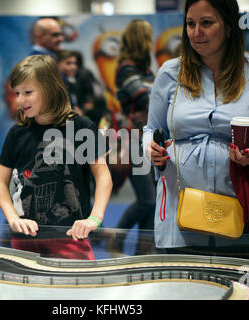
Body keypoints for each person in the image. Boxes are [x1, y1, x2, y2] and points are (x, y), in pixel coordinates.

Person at [143, 0, 249, 255]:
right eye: (190, 24)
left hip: (245, 218)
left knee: (243, 292)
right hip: (178, 219)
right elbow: (151, 129)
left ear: (228, 27)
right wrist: (150, 149)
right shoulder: (169, 72)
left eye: (206, 23)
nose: (196, 32)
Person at [0, 54, 112, 260]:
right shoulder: (16, 133)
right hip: (25, 237)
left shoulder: (81, 128)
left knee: (77, 289)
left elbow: (103, 176)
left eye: (28, 92)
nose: (20, 100)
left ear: (50, 88)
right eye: (17, 93)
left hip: (70, 236)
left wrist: (95, 218)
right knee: (27, 292)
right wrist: (12, 217)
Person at [107, 19, 157, 256]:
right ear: (141, 39)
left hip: (148, 137)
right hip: (133, 140)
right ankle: (117, 238)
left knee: (154, 200)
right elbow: (145, 98)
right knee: (147, 199)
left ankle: (143, 251)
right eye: (148, 35)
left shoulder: (145, 70)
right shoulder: (126, 68)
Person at [56, 49, 81, 115]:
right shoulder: (57, 83)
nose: (73, 67)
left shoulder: (67, 82)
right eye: (68, 63)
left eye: (75, 63)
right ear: (57, 64)